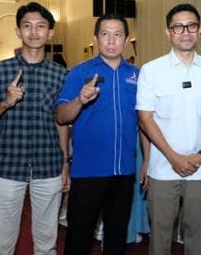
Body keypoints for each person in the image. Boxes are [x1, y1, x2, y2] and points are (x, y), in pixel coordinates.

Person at [0, 2, 69, 255]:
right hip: (7, 167)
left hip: (49, 166)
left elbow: (61, 122)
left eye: (41, 26)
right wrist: (5, 103)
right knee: (1, 245)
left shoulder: (60, 74)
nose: (34, 32)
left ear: (50, 32)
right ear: (18, 31)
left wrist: (65, 163)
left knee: (47, 245)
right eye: (27, 26)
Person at [136, 3, 201, 255]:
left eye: (191, 26)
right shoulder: (151, 70)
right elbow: (145, 119)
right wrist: (173, 157)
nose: (185, 32)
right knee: (160, 237)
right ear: (168, 32)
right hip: (163, 168)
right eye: (178, 27)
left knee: (197, 238)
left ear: (198, 31)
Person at [56, 13, 140, 255]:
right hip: (88, 171)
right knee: (79, 239)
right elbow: (61, 116)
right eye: (105, 34)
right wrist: (79, 100)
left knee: (116, 239)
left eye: (118, 34)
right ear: (95, 38)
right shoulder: (79, 73)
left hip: (124, 170)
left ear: (126, 39)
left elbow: (145, 121)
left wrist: (147, 162)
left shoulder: (137, 75)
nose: (111, 40)